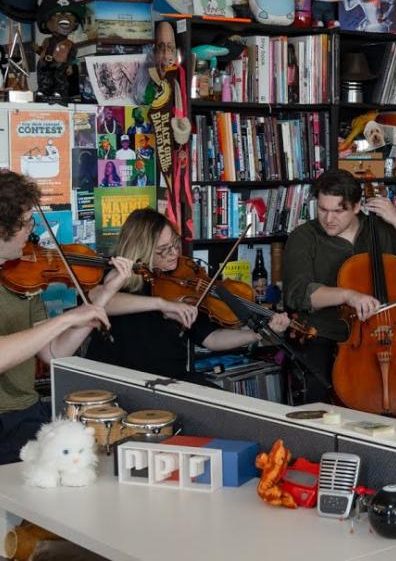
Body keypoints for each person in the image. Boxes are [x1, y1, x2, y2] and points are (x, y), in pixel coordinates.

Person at [283, 169, 396, 425]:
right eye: (322, 209)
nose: (328, 219)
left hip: (386, 331)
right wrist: (347, 295)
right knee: (314, 382)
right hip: (327, 333)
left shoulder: (380, 230)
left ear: (356, 207)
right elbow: (297, 293)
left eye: (338, 211)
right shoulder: (304, 237)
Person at [0, 170, 131, 463]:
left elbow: (53, 352)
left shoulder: (24, 276)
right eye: (25, 222)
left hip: (25, 415)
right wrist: (65, 319)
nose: (31, 231)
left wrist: (103, 297)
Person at [86, 208, 291, 384]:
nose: (175, 253)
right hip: (121, 380)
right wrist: (161, 304)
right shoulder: (117, 276)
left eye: (175, 243)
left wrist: (258, 334)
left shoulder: (182, 281)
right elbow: (98, 300)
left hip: (169, 381)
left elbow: (212, 338)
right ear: (141, 250)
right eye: (164, 250)